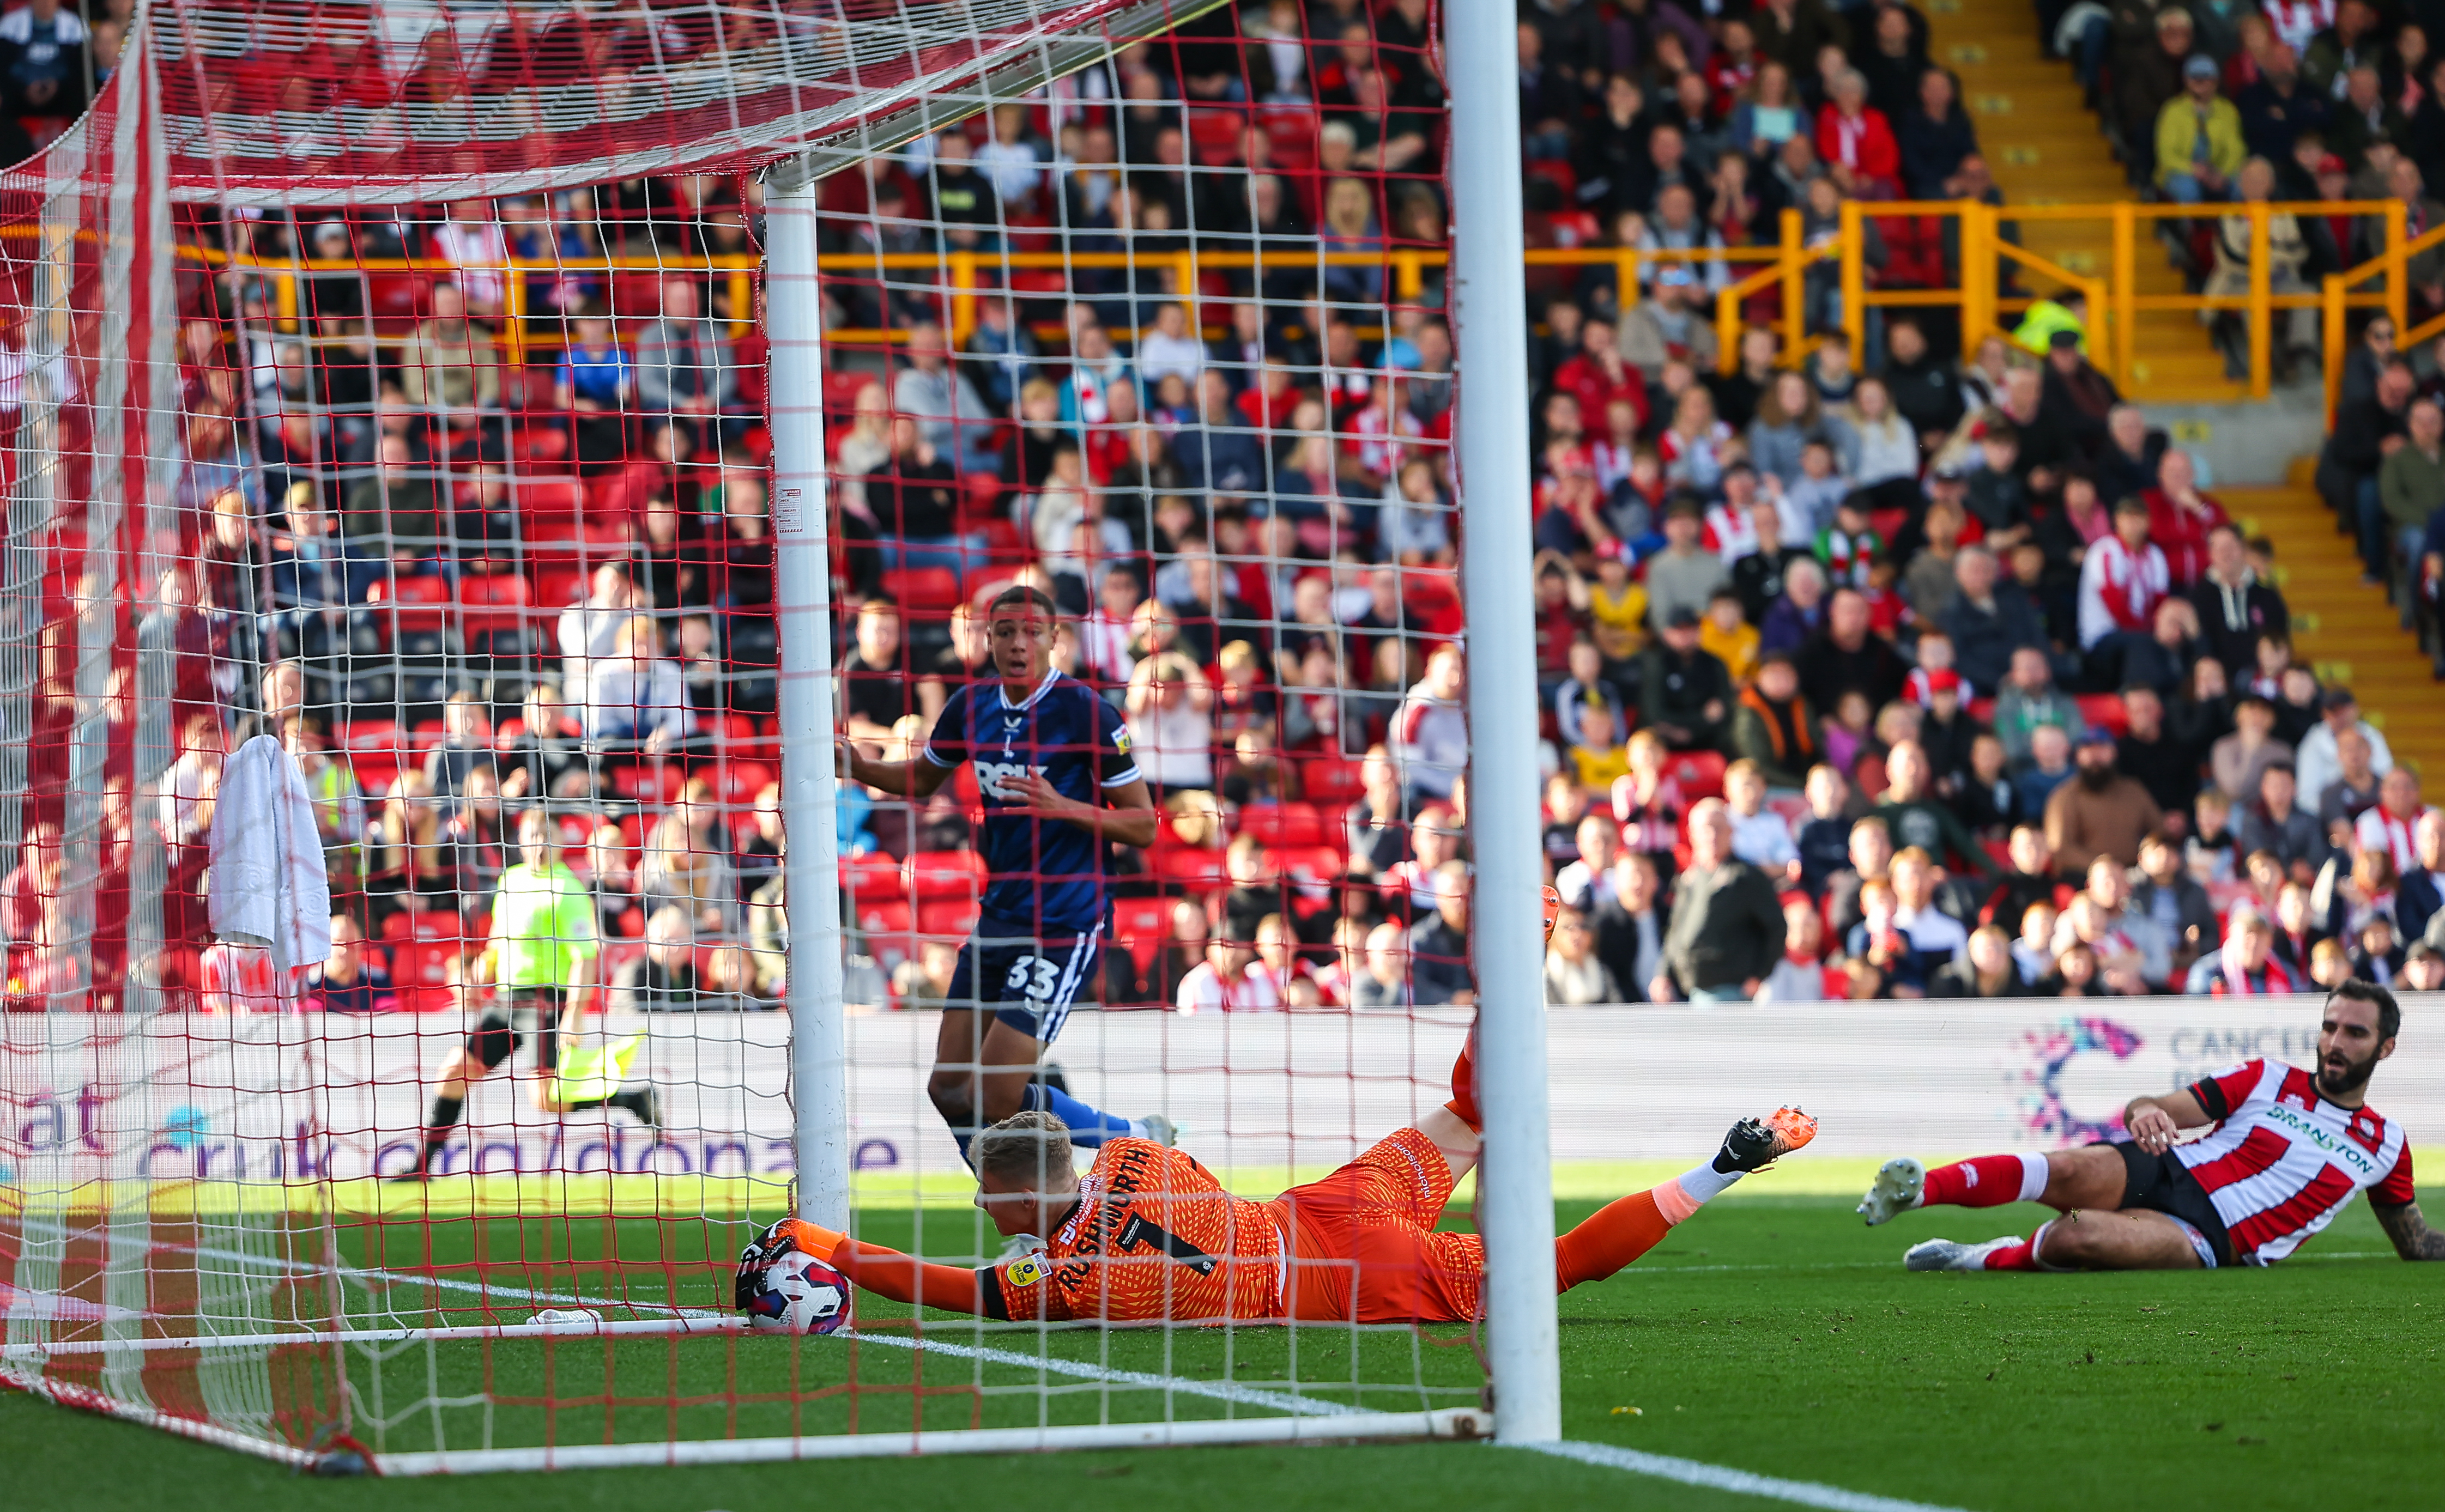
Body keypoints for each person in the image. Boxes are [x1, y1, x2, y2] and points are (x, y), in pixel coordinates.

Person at [739, 1067, 1820, 1325]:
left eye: (985, 1195)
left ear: (1012, 1209)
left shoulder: (1060, 1276)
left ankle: (1718, 1166)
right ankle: (1516, 935)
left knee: (1548, 1276)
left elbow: (948, 1287)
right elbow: (1152, 1147)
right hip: (1325, 1206)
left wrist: (822, 1240)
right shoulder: (1129, 1159)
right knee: (1464, 1115)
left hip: (1342, 1275)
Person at [837, 586, 1166, 1162]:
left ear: (1054, 640)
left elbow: (1143, 825)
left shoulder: (1086, 711)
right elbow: (919, 782)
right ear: (987, 640)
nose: (1019, 644)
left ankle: (1134, 1140)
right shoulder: (970, 705)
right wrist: (861, 766)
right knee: (949, 1089)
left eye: (1032, 632)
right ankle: (1020, 1213)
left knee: (995, 1092)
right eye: (1006, 633)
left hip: (1065, 919)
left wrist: (1062, 806)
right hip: (1000, 916)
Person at [1863, 981, 2440, 1270]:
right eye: (2330, 1026)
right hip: (2169, 1167)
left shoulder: (2386, 1144)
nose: (2335, 1043)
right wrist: (2145, 1112)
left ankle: (1974, 1257)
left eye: (2355, 1034)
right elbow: (2150, 1103)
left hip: (2213, 1235)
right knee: (2064, 1167)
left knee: (2077, 1235)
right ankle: (1916, 1192)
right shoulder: (2267, 1077)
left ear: (2385, 1048)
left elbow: (2415, 1245)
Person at [396, 809, 660, 1179]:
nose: (539, 845)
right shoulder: (510, 881)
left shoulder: (567, 889)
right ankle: (423, 1167)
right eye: (533, 836)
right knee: (453, 1071)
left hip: (544, 1003)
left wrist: (574, 1011)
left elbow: (585, 956)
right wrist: (479, 972)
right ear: (520, 840)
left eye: (546, 837)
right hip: (504, 1002)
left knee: (547, 1100)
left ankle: (631, 1099)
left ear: (558, 844)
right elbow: (496, 943)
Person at [1651, 798, 1787, 1004]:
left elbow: (1776, 927)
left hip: (1730, 991)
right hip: (1688, 990)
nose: (1712, 836)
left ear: (1731, 832)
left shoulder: (1746, 877)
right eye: (1706, 829)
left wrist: (1760, 975)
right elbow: (1676, 930)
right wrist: (1663, 974)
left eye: (1719, 828)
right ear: (1691, 834)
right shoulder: (1690, 879)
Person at [2043, 726, 2164, 872]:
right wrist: (2105, 868)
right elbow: (2061, 848)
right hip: (2084, 878)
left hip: (2134, 874)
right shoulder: (2064, 797)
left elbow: (2159, 830)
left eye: (2102, 748)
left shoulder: (2134, 790)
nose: (2095, 755)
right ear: (2077, 756)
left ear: (2114, 753)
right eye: (2088, 749)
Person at [311, 914, 398, 1014]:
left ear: (360, 947)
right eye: (338, 942)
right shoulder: (308, 984)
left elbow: (389, 1020)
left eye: (351, 942)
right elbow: (304, 1023)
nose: (345, 950)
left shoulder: (379, 980)